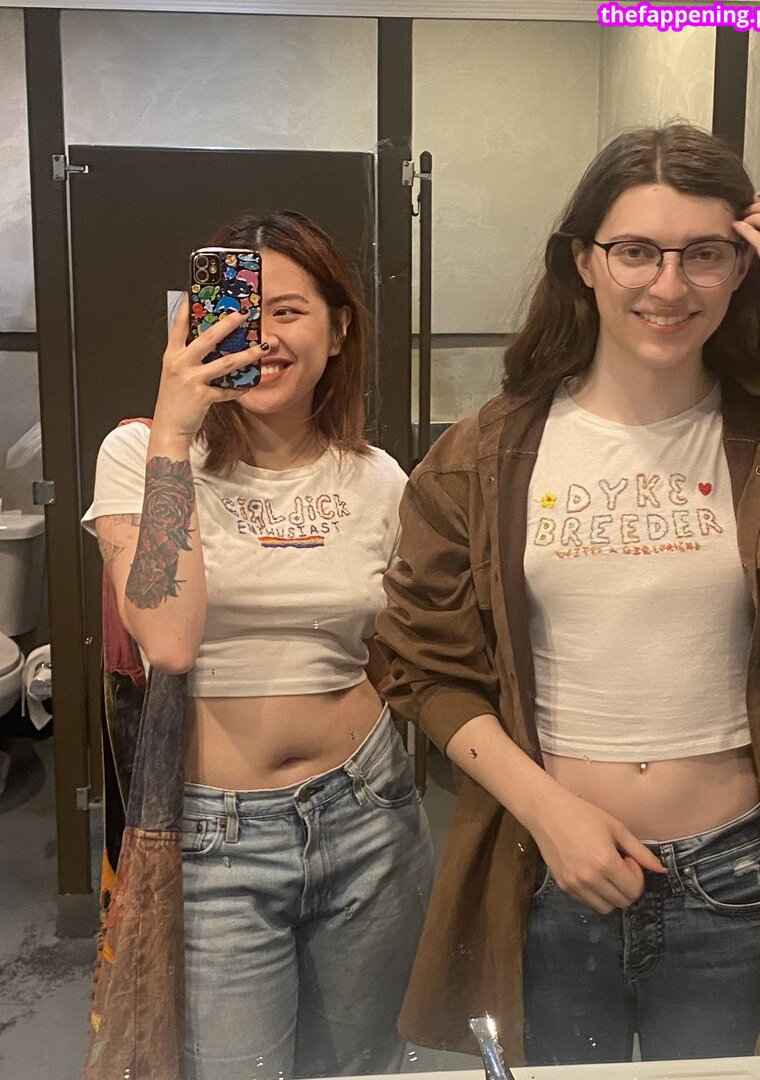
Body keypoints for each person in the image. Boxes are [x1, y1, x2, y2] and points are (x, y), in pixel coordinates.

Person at [376, 124, 760, 1066]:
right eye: (636, 251)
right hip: (550, 870)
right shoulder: (485, 454)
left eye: (705, 254)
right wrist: (547, 811)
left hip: (741, 876)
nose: (669, 286)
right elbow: (421, 668)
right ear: (583, 260)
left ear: (745, 266)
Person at [82, 210, 433, 1080]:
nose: (263, 336)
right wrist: (174, 430)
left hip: (371, 810)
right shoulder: (139, 453)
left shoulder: (378, 476)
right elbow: (167, 638)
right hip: (216, 833)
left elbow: (389, 650)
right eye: (241, 311)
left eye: (289, 311)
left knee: (362, 1066)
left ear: (339, 331)